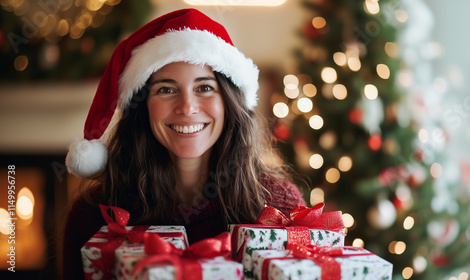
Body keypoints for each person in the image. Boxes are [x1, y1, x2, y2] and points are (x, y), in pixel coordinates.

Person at [62, 8, 306, 279]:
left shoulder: (280, 208)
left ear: (229, 103)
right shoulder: (94, 216)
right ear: (142, 108)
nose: (187, 107)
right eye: (166, 89)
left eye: (204, 87)